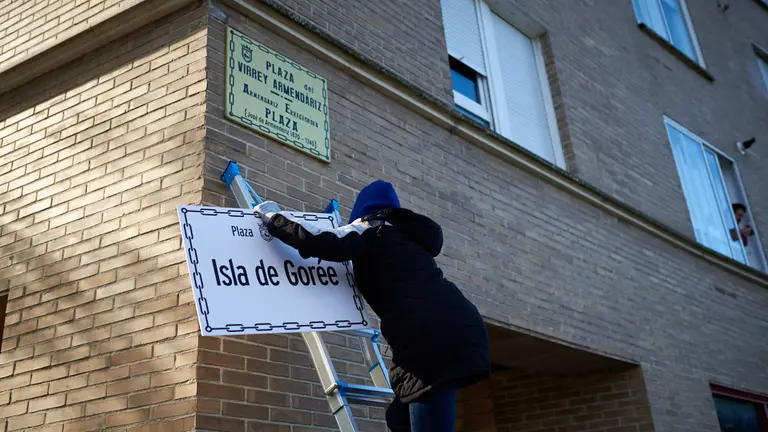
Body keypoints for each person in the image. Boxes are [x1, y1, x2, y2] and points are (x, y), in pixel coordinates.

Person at [254, 180, 490, 431]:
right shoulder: (405, 237)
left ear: (362, 210)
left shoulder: (371, 227)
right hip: (455, 329)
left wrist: (272, 216)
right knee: (398, 418)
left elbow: (319, 240)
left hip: (429, 340)